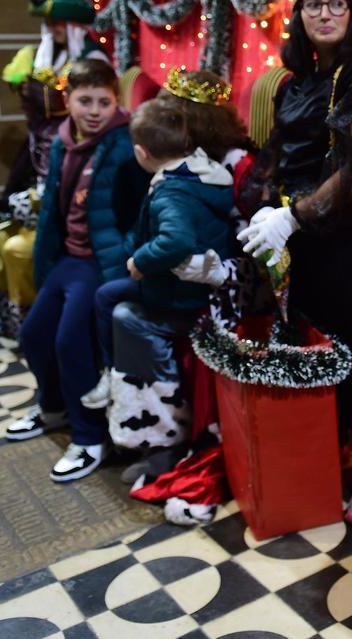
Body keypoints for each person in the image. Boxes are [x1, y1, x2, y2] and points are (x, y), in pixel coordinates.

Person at [224, 0, 352, 525]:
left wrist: (292, 217)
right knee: (323, 348)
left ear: (351, 15)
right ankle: (340, 452)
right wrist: (255, 205)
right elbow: (280, 156)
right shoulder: (297, 83)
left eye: (336, 4)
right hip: (307, 237)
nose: (325, 13)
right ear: (298, 16)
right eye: (313, 4)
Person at [87, 74, 243, 481]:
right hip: (185, 286)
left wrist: (140, 259)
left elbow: (175, 241)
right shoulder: (201, 171)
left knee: (125, 316)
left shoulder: (174, 189)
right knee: (108, 298)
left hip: (193, 297)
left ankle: (162, 440)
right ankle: (114, 378)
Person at [4, 58, 150, 483]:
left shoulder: (125, 143)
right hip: (67, 258)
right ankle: (53, 407)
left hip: (99, 262)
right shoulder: (60, 141)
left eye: (104, 101)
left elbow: (140, 210)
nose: (94, 110)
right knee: (33, 334)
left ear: (116, 101)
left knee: (71, 341)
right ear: (67, 101)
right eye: (84, 100)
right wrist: (46, 257)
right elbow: (54, 203)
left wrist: (122, 256)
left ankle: (90, 438)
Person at [0, 0, 109, 339]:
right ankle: (17, 325)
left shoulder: (90, 128)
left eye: (99, 102)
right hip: (41, 160)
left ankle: (41, 323)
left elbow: (65, 196)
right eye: (83, 101)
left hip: (76, 228)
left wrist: (0, 203)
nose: (53, 29)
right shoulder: (40, 61)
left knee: (16, 248)